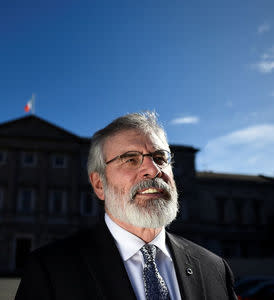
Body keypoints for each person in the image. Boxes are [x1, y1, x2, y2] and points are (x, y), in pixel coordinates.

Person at [15, 112, 237, 300]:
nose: (153, 169)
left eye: (160, 158)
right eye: (130, 159)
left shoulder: (215, 269)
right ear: (99, 184)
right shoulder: (49, 270)